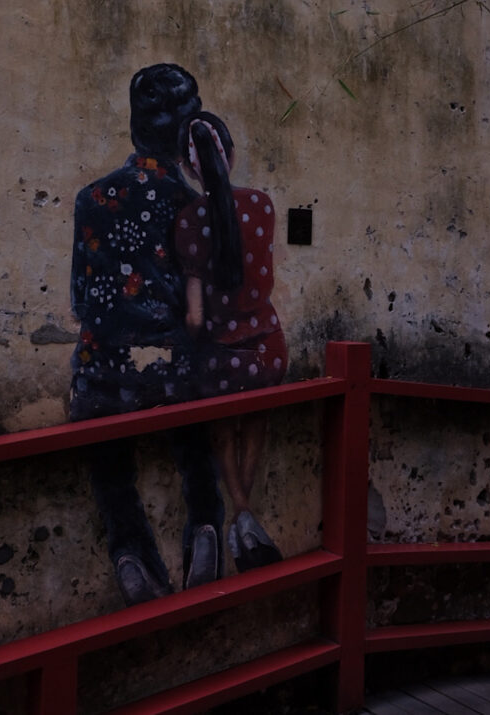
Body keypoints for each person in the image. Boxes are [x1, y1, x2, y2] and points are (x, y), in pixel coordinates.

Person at [69, 64, 224, 605]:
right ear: (188, 131)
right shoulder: (190, 204)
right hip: (169, 364)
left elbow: (79, 302)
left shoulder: (91, 198)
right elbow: (202, 301)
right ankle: (205, 526)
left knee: (109, 463)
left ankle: (132, 552)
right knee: (195, 440)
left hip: (103, 367)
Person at [173, 111, 288, 572]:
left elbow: (196, 316)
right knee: (256, 425)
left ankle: (241, 512)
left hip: (221, 356)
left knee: (223, 435)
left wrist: (194, 337)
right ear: (232, 155)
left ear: (186, 166)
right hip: (268, 348)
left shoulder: (186, 222)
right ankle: (248, 522)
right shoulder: (262, 205)